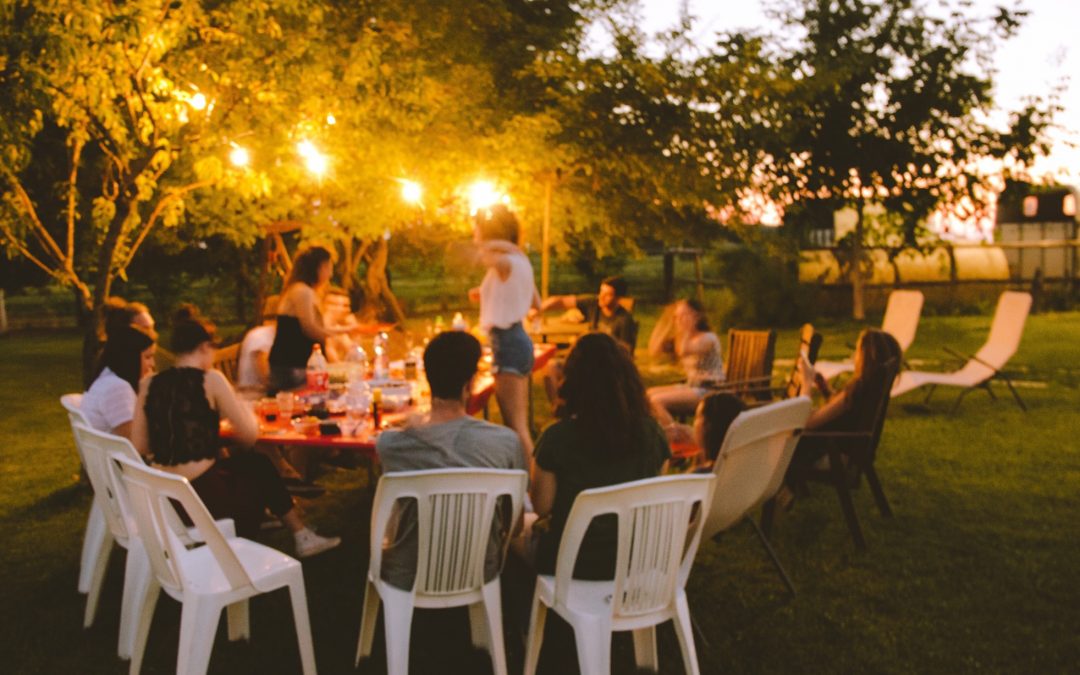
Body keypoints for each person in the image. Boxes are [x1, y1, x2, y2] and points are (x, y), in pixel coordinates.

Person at [132, 305, 340, 556]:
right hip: (206, 501)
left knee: (251, 465)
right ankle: (300, 535)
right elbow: (249, 435)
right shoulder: (211, 379)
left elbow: (140, 447)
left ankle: (298, 532)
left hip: (167, 500)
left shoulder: (148, 384)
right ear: (204, 348)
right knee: (260, 465)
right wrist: (241, 404)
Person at [375, 331, 526, 589]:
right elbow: (517, 525)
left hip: (407, 575)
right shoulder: (505, 442)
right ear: (470, 384)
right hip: (480, 572)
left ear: (427, 378)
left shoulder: (391, 445)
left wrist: (411, 425)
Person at [529, 333, 671, 579]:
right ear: (627, 379)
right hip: (636, 561)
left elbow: (541, 508)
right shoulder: (652, 434)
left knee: (512, 536)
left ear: (572, 381)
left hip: (571, 565)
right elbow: (655, 494)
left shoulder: (556, 439)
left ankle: (522, 612)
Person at [783, 328, 901, 490]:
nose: (855, 356)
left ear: (866, 356)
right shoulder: (866, 388)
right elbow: (839, 408)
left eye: (858, 350)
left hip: (829, 455)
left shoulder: (857, 389)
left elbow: (808, 422)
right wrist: (825, 389)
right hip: (843, 452)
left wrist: (806, 383)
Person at [469, 205, 541, 463]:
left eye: (477, 228)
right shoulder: (519, 261)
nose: (474, 234)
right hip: (517, 339)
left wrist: (500, 245)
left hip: (508, 342)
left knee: (517, 428)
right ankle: (528, 484)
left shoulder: (503, 260)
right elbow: (536, 303)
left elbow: (481, 255)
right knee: (519, 425)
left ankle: (531, 488)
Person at [535, 275, 639, 403]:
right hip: (586, 360)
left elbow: (626, 352)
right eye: (601, 291)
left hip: (608, 367)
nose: (601, 297)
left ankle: (577, 407)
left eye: (607, 294)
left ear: (618, 298)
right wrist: (538, 309)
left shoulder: (624, 320)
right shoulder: (594, 304)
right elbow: (561, 301)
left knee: (581, 376)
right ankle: (558, 407)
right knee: (550, 367)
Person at [267, 246, 355, 393]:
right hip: (292, 368)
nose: (330, 274)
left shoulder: (303, 290)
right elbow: (309, 328)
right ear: (317, 268)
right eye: (328, 268)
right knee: (342, 388)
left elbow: (314, 327)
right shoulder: (302, 291)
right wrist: (333, 335)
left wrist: (343, 331)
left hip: (297, 366)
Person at [647, 298, 725, 427]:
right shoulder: (684, 338)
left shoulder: (708, 338)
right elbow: (654, 350)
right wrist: (665, 323)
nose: (679, 320)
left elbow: (683, 351)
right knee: (646, 395)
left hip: (709, 389)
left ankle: (677, 434)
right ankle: (661, 431)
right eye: (677, 317)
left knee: (656, 401)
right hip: (691, 386)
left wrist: (687, 330)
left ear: (696, 316)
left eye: (684, 315)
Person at [82, 324, 157, 439]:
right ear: (129, 358)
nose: (153, 364)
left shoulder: (107, 379)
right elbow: (136, 442)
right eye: (147, 357)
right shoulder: (117, 388)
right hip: (121, 456)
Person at [236, 296, 278, 394]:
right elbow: (266, 375)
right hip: (253, 394)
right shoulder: (262, 336)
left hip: (262, 393)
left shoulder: (267, 333)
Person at [321, 287, 360, 363]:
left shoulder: (341, 326)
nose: (347, 310)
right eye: (345, 306)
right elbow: (333, 362)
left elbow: (356, 357)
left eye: (347, 306)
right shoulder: (320, 328)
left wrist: (355, 333)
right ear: (326, 305)